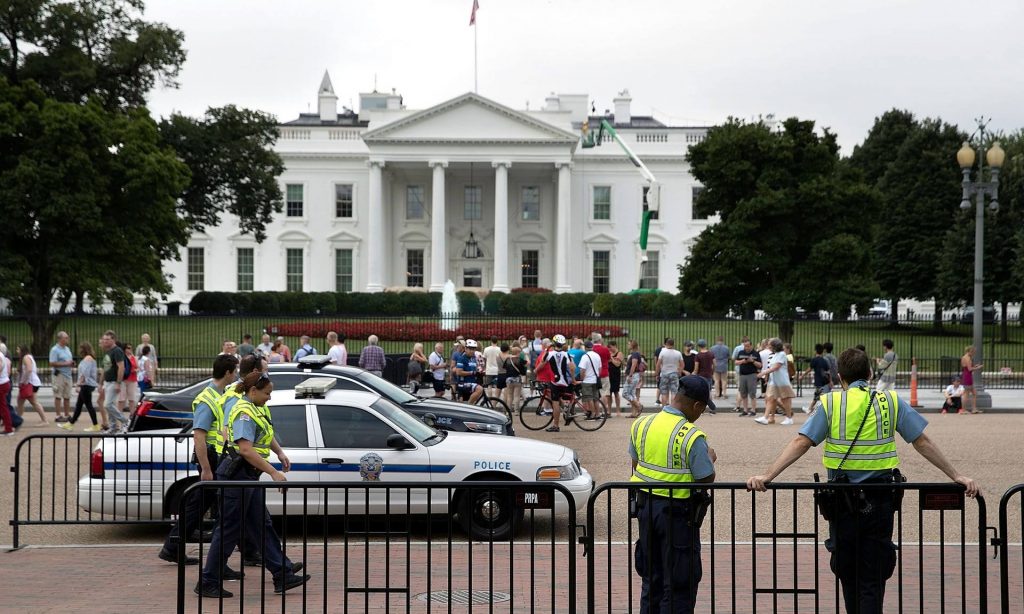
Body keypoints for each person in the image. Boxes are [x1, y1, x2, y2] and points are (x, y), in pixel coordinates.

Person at [746, 347, 979, 614]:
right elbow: (921, 441)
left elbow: (802, 442)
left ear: (839, 375)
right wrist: (956, 475)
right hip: (881, 499)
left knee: (847, 569)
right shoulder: (890, 400)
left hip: (842, 499)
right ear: (869, 374)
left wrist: (768, 475)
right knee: (874, 571)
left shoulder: (832, 403)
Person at [196, 371, 310, 598]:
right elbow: (245, 449)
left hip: (248, 477)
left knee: (261, 525)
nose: (270, 397)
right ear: (253, 391)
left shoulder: (256, 408)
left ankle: (282, 574)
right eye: (267, 393)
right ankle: (208, 580)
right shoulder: (244, 412)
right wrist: (273, 473)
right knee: (228, 530)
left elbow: (264, 435)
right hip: (238, 476)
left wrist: (278, 453)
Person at [630, 375, 717, 614]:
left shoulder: (642, 424)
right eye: (702, 409)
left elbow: (636, 463)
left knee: (651, 579)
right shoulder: (691, 435)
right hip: (678, 514)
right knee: (680, 583)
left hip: (645, 509)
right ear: (697, 405)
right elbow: (705, 478)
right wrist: (710, 458)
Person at [159, 354, 240, 565]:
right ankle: (175, 548)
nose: (237, 375)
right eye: (235, 371)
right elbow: (199, 435)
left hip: (216, 457)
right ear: (228, 373)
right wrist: (205, 468)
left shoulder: (220, 394)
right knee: (204, 506)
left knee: (202, 505)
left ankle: (173, 547)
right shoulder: (207, 398)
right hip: (210, 459)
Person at [755, 338, 795, 426]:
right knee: (769, 398)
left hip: (782, 381)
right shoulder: (776, 354)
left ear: (774, 346)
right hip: (774, 381)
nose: (768, 346)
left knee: (785, 400)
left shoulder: (781, 354)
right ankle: (766, 417)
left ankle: (789, 418)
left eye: (770, 344)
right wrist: (767, 376)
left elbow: (776, 367)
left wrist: (763, 373)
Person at [66, 342, 101, 431]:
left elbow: (85, 373)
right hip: (86, 384)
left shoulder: (88, 358)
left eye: (80, 348)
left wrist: (78, 384)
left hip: (86, 384)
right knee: (79, 405)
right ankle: (71, 423)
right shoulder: (88, 358)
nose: (79, 350)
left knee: (88, 405)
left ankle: (95, 425)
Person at [543, 335, 574, 432]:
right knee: (561, 398)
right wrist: (573, 379)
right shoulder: (566, 354)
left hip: (555, 382)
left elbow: (543, 361)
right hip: (564, 381)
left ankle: (556, 425)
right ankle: (566, 408)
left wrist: (548, 348)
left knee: (555, 403)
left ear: (554, 343)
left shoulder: (550, 353)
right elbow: (572, 367)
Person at [99, 331, 129, 433]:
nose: (105, 341)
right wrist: (100, 383)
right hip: (107, 382)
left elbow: (121, 367)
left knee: (108, 405)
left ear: (113, 340)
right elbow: (105, 368)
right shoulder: (108, 351)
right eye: (104, 339)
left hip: (113, 382)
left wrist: (118, 382)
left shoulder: (117, 351)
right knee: (109, 405)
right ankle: (113, 427)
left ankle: (126, 421)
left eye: (107, 339)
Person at [16, 344, 47, 425]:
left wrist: (24, 381)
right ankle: (17, 419)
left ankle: (44, 420)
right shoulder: (28, 357)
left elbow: (29, 370)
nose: (17, 351)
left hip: (30, 383)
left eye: (18, 349)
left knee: (30, 402)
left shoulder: (26, 357)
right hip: (32, 383)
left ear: (22, 350)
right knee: (21, 401)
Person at [800, 344, 832, 416]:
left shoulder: (814, 360)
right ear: (822, 351)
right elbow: (828, 372)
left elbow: (809, 369)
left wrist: (802, 375)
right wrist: (830, 381)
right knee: (819, 395)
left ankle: (810, 409)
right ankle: (811, 408)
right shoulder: (824, 360)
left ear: (815, 351)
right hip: (824, 381)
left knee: (817, 395)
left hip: (818, 380)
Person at [49, 331, 74, 423]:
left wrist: (71, 363)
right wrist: (66, 363)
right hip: (59, 374)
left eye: (67, 337)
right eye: (66, 338)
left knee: (67, 395)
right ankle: (58, 415)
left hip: (68, 374)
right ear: (60, 339)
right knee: (58, 395)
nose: (68, 339)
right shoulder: (55, 350)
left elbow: (69, 360)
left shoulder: (67, 349)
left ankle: (67, 414)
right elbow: (52, 363)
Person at [734, 339, 762, 417]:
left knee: (752, 393)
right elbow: (736, 362)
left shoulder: (755, 353)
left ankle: (753, 410)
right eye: (745, 346)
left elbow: (760, 365)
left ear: (751, 346)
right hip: (742, 375)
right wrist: (742, 361)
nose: (746, 348)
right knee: (743, 393)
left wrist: (752, 361)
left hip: (752, 375)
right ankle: (745, 410)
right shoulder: (741, 353)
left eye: (748, 346)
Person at [454, 339, 484, 404]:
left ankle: (469, 406)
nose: (472, 351)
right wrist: (471, 372)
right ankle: (469, 407)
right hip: (462, 384)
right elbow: (458, 372)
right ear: (465, 348)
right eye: (470, 349)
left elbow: (476, 368)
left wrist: (480, 371)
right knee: (479, 389)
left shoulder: (473, 358)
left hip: (472, 383)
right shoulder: (462, 358)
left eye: (473, 349)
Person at [578, 341, 603, 420]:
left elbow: (582, 370)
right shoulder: (597, 355)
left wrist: (582, 378)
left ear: (585, 347)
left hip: (587, 380)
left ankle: (592, 414)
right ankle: (598, 413)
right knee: (595, 398)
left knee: (589, 399)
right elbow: (600, 369)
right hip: (595, 380)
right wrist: (597, 376)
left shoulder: (585, 356)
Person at [655, 338, 683, 406]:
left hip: (664, 373)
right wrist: (679, 371)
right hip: (674, 373)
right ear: (673, 344)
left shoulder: (662, 352)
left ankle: (664, 408)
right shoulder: (678, 353)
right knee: (674, 392)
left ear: (666, 344)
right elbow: (682, 364)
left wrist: (657, 374)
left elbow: (658, 364)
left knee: (664, 393)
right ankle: (673, 407)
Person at [622, 340, 645, 418]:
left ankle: (639, 406)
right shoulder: (635, 354)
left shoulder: (635, 354)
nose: (627, 345)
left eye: (629, 344)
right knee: (632, 394)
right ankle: (634, 413)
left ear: (632, 345)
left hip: (633, 375)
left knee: (625, 393)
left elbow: (634, 365)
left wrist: (630, 376)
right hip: (635, 375)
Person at [592, 333, 613, 413]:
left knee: (595, 393)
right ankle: (605, 410)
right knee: (605, 392)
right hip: (604, 372)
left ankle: (596, 411)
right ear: (600, 340)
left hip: (594, 373)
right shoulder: (605, 349)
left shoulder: (592, 349)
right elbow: (609, 359)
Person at [503, 344, 526, 410]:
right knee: (517, 396)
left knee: (509, 396)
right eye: (519, 352)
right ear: (517, 353)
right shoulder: (519, 360)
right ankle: (516, 411)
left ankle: (508, 411)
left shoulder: (508, 359)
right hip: (517, 379)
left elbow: (505, 368)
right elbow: (524, 370)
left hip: (509, 379)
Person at [960, 346, 983, 414]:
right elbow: (970, 369)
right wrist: (978, 367)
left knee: (974, 393)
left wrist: (974, 366)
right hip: (968, 377)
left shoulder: (964, 357)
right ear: (970, 351)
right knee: (966, 394)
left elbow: (966, 367)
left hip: (966, 375)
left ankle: (974, 408)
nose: (974, 354)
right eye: (973, 352)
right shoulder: (968, 358)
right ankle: (963, 410)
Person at [694, 339, 715, 413]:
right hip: (708, 375)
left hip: (700, 376)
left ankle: (701, 409)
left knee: (701, 393)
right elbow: (714, 364)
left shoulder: (698, 355)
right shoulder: (711, 354)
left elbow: (696, 368)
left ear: (699, 346)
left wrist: (693, 374)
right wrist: (712, 372)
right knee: (709, 392)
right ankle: (712, 408)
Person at [120, 343, 140, 416]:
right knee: (121, 398)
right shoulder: (122, 357)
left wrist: (136, 370)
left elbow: (138, 367)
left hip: (132, 379)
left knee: (132, 398)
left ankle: (132, 414)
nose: (130, 349)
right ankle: (120, 414)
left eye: (131, 348)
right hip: (123, 379)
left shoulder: (134, 358)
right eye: (128, 348)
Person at [0, 349, 15, 435]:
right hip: (4, 382)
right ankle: (8, 427)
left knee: (3, 407)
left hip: (1, 383)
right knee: (3, 407)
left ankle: (8, 428)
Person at [607, 340, 624, 416]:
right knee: (609, 394)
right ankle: (609, 410)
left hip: (615, 375)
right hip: (609, 374)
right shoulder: (609, 353)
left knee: (616, 393)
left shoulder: (619, 353)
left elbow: (617, 364)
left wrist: (612, 359)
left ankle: (618, 410)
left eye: (610, 347)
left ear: (614, 346)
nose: (609, 349)